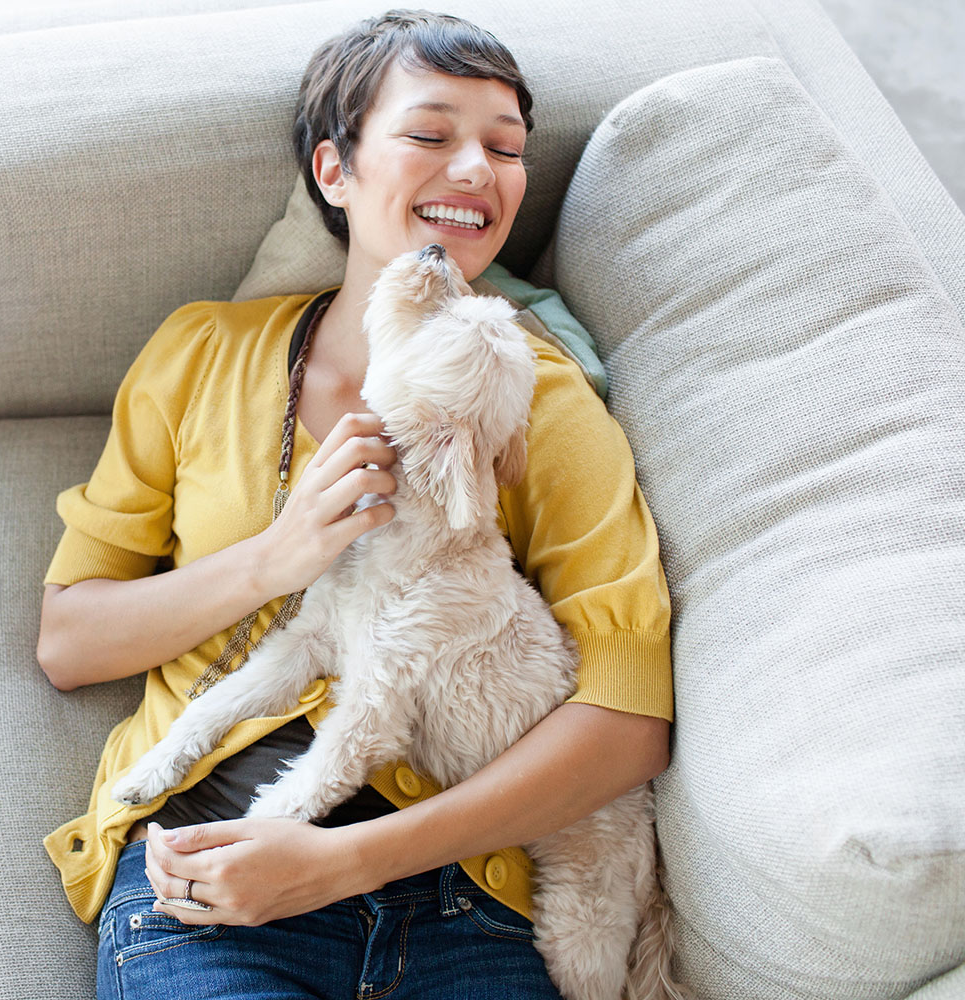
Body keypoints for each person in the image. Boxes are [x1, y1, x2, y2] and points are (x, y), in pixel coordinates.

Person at [37, 10, 674, 998]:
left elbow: (630, 719)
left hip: (466, 899)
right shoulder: (201, 352)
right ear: (335, 172)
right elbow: (71, 642)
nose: (478, 169)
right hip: (213, 878)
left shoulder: (535, 402)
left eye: (506, 149)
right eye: (431, 133)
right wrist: (277, 557)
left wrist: (350, 858)